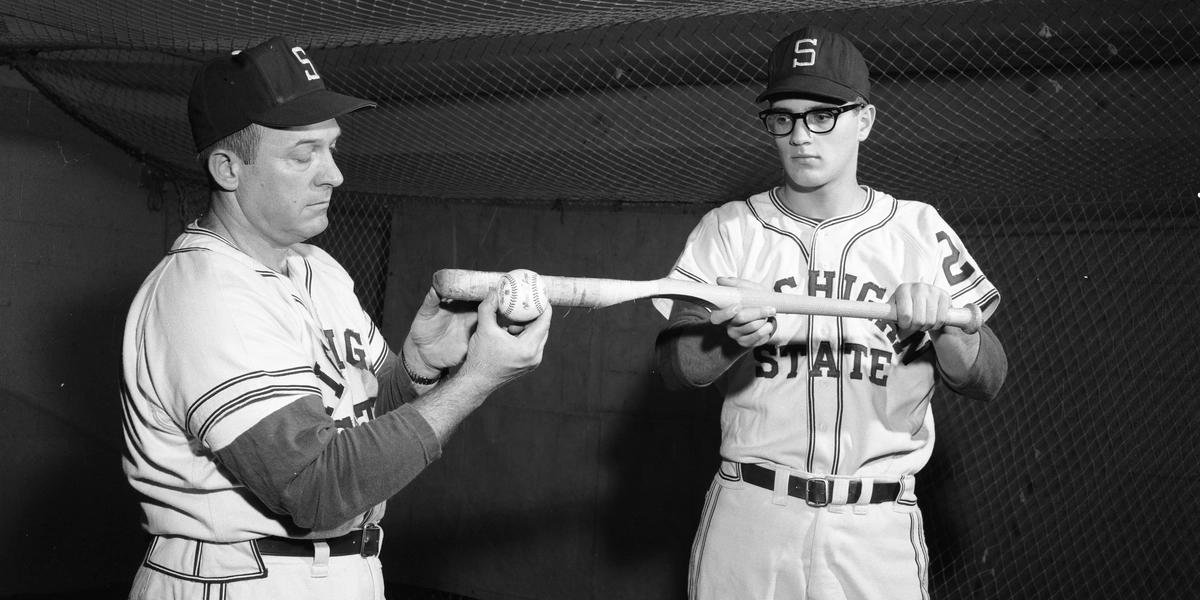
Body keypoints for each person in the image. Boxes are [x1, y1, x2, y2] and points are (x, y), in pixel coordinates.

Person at [120, 36, 552, 600]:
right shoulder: (204, 293)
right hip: (238, 577)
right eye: (304, 155)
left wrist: (419, 367)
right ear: (228, 168)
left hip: (341, 568)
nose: (334, 175)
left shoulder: (317, 268)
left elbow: (363, 424)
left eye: (331, 149)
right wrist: (477, 380)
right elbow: (314, 487)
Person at [653, 26, 1007, 600]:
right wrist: (730, 339)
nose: (799, 135)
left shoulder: (918, 230)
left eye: (822, 115)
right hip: (753, 511)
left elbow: (989, 377)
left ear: (864, 120)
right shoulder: (731, 229)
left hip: (876, 523)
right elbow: (674, 366)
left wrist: (947, 328)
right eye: (783, 117)